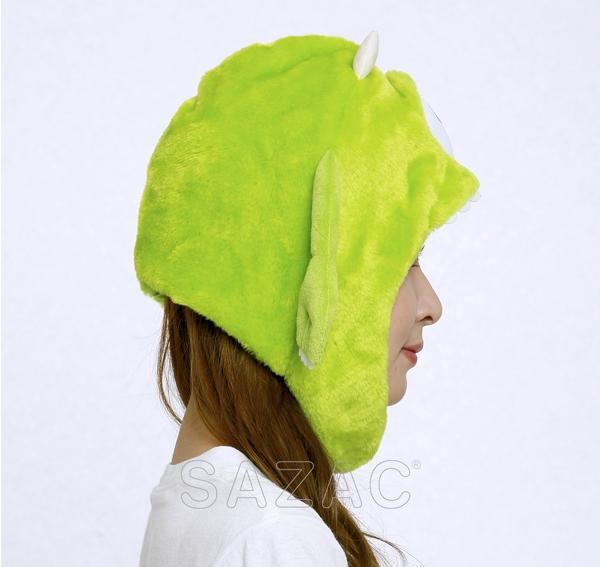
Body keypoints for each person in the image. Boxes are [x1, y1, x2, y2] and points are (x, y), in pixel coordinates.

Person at [134, 31, 480, 567]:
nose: (432, 304)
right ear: (300, 282)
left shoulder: (198, 504)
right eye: (402, 260)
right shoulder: (272, 536)